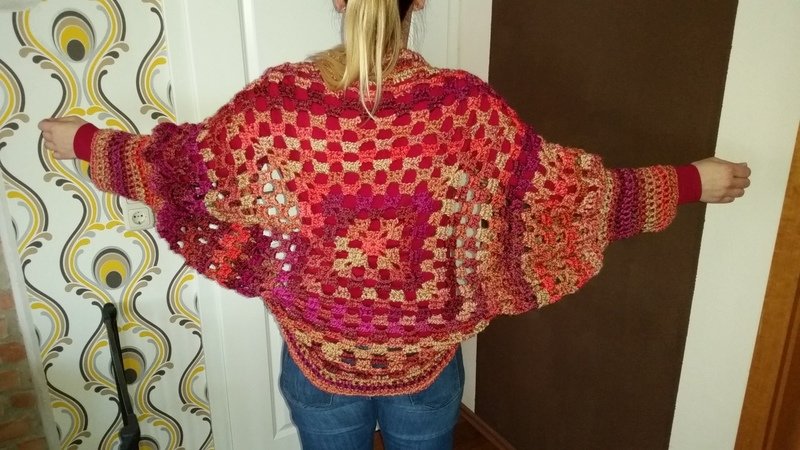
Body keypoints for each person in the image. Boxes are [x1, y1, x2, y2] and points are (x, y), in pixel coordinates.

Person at [38, 0, 751, 448]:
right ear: (418, 5)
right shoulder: (465, 110)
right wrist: (692, 181)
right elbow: (569, 197)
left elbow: (175, 170)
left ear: (337, 2)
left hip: (318, 363)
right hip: (425, 370)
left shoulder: (278, 106)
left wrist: (83, 141)